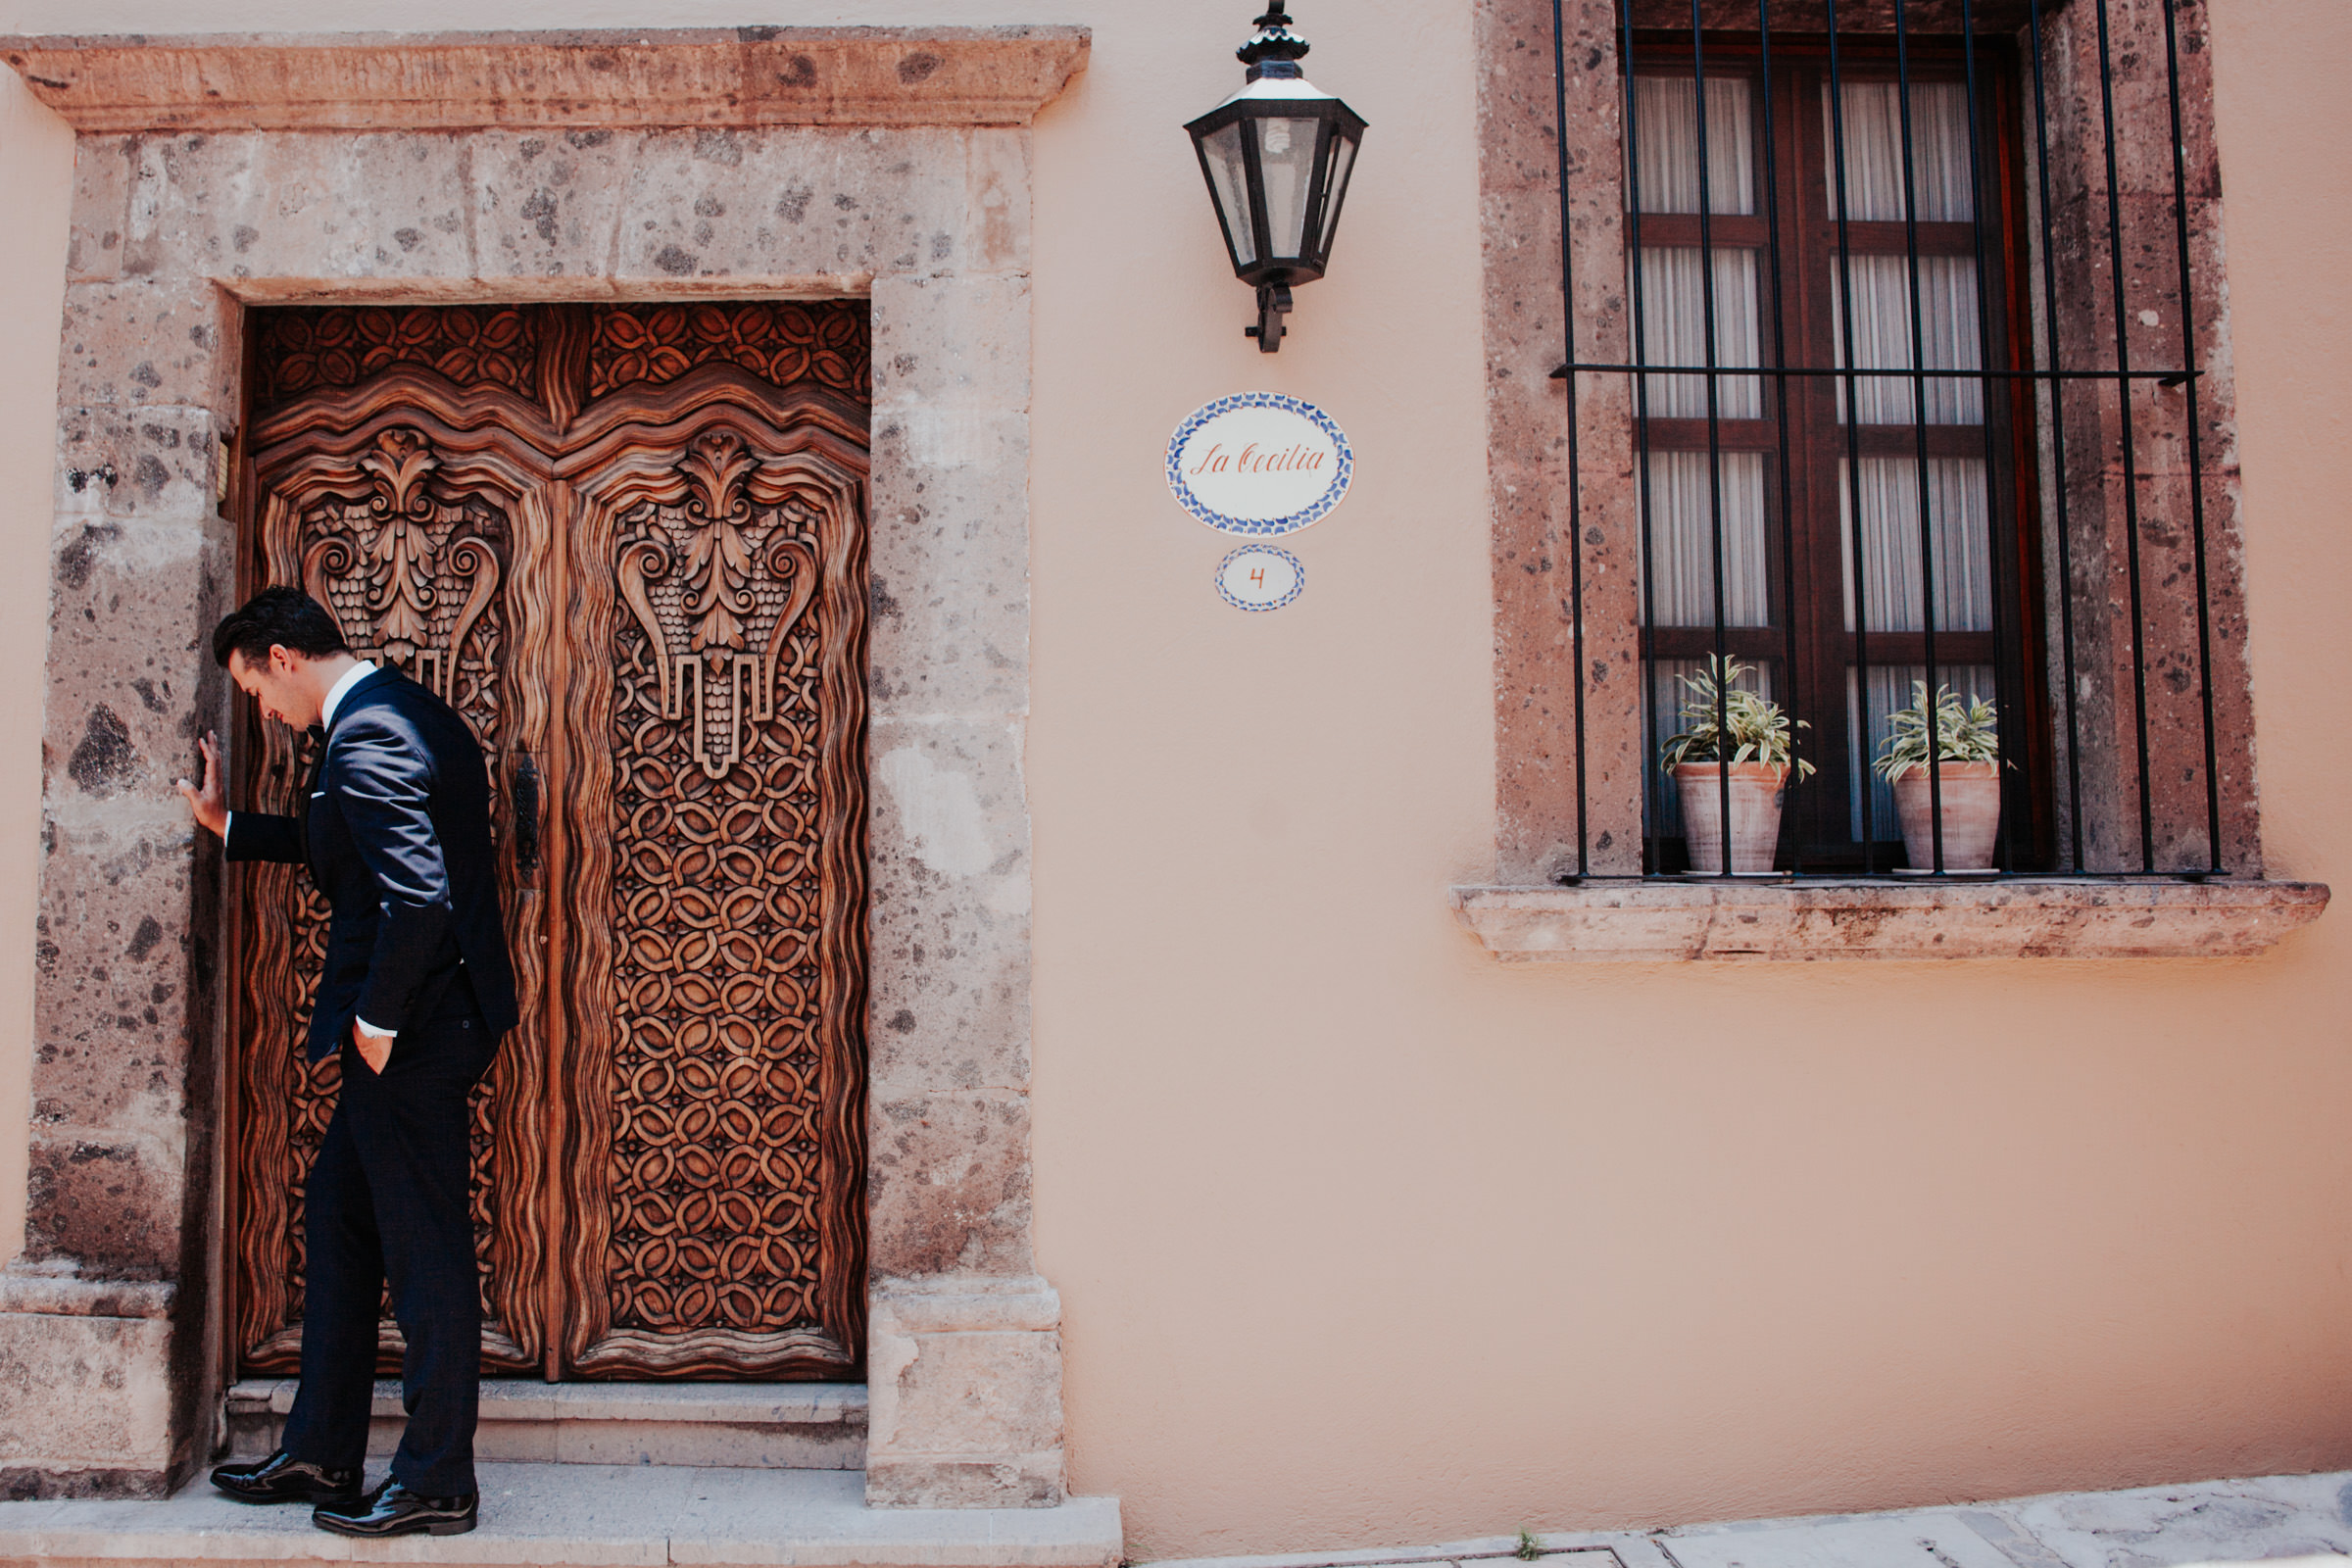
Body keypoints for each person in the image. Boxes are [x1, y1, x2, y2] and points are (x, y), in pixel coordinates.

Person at [179, 587, 517, 1539]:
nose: (260, 710)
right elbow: (353, 848)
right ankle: (324, 1447)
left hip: (411, 1031)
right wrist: (232, 826)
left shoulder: (369, 736)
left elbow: (417, 896)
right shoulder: (395, 713)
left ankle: (439, 1478)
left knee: (424, 1249)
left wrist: (375, 1021)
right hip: (422, 1024)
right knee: (338, 1221)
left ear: (282, 657)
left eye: (253, 689)